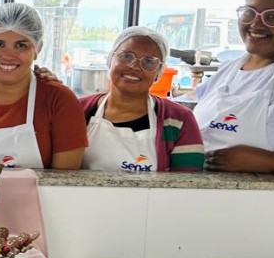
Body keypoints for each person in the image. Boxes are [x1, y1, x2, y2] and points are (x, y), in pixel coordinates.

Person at [194, 0, 274, 175]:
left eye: (272, 17)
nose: (256, 24)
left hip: (264, 196)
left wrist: (269, 161)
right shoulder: (228, 70)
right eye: (249, 13)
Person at [0, 3, 87, 169]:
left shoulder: (60, 101)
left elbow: (65, 179)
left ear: (37, 49)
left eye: (21, 45)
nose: (8, 55)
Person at [80, 27, 205, 172]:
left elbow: (187, 181)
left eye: (149, 61)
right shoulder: (79, 111)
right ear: (110, 60)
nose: (134, 66)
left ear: (158, 73)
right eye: (126, 56)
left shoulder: (180, 120)